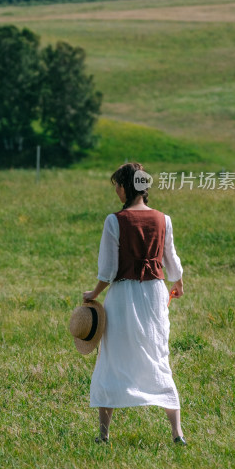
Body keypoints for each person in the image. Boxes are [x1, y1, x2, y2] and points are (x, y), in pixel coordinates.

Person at [83, 162, 186, 445]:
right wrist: (176, 283)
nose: (116, 190)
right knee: (157, 355)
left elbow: (108, 270)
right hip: (154, 293)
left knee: (113, 358)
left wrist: (93, 294)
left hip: (124, 294)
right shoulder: (163, 219)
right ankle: (177, 433)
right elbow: (171, 260)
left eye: (117, 184)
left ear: (126, 187)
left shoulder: (114, 220)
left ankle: (103, 434)